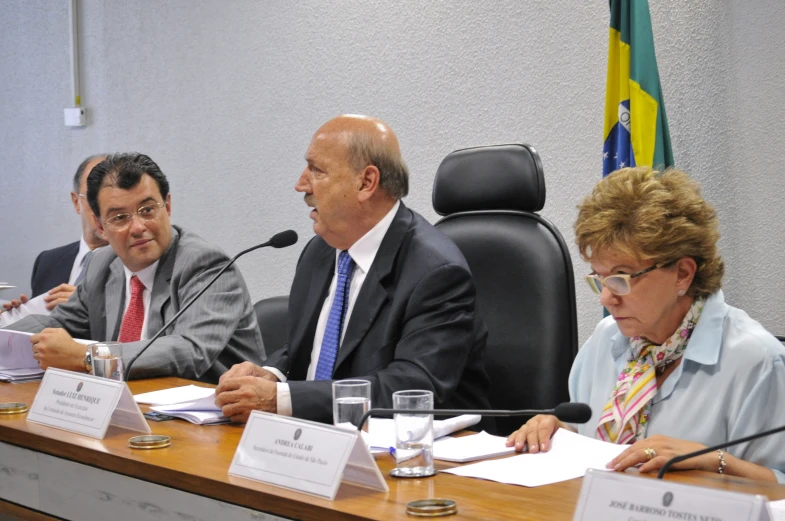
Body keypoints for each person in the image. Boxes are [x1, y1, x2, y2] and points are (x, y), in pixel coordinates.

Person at [506, 167, 785, 482]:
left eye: (620, 278)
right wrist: (558, 430)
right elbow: (592, 440)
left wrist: (712, 461)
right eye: (599, 279)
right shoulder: (607, 339)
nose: (607, 298)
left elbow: (780, 483)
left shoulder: (757, 360)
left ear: (682, 273)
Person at [215, 114, 489, 423]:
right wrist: (271, 374)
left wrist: (283, 400)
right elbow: (310, 350)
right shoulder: (320, 251)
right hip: (321, 443)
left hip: (421, 454)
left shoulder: (436, 272)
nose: (300, 184)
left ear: (366, 183)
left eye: (316, 170)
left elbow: (411, 388)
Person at [5, 153, 264, 383]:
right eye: (120, 217)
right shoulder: (102, 264)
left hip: (212, 415)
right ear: (99, 225)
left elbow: (189, 351)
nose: (138, 227)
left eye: (147, 210)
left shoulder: (205, 264)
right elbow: (57, 325)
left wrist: (88, 357)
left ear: (168, 206)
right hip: (129, 404)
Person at [0, 155, 108, 324]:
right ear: (76, 202)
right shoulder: (48, 261)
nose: (103, 207)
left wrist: (87, 305)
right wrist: (20, 317)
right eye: (93, 196)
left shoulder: (132, 264)